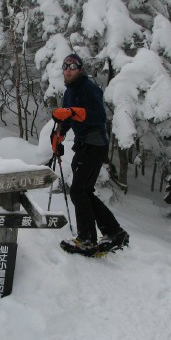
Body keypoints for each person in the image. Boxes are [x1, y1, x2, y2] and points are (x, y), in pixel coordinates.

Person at [51, 53, 129, 256]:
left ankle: (86, 239)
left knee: (78, 191)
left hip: (94, 144)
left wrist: (73, 112)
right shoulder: (69, 91)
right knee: (84, 191)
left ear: (80, 69)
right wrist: (58, 137)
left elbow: (99, 116)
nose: (68, 69)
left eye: (73, 66)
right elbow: (67, 119)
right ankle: (114, 232)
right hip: (84, 145)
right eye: (65, 66)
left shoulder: (89, 88)